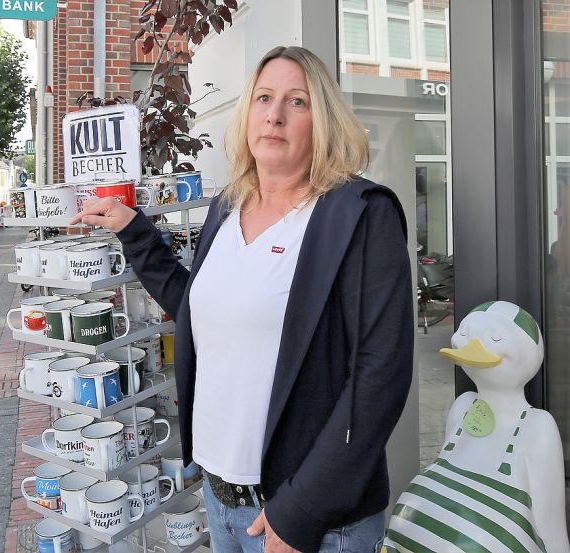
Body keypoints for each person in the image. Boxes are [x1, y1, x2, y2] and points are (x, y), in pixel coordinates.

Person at [70, 46, 413, 553]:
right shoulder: (228, 207)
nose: (274, 114)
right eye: (263, 98)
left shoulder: (358, 214)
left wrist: (302, 511)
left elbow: (380, 375)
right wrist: (134, 231)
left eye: (297, 101)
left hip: (308, 521)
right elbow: (198, 308)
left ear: (325, 119)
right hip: (219, 496)